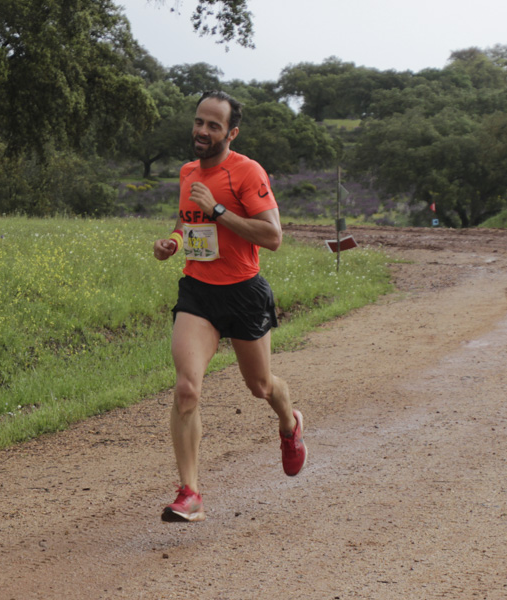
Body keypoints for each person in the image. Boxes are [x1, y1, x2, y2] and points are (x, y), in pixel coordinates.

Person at [152, 91, 306, 523]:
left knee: (260, 387)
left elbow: (273, 236)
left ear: (231, 132)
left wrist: (217, 209)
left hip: (243, 292)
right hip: (198, 292)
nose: (202, 131)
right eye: (199, 122)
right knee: (186, 389)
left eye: (213, 125)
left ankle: (290, 423)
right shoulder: (187, 173)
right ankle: (191, 493)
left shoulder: (246, 172)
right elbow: (187, 222)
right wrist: (173, 243)